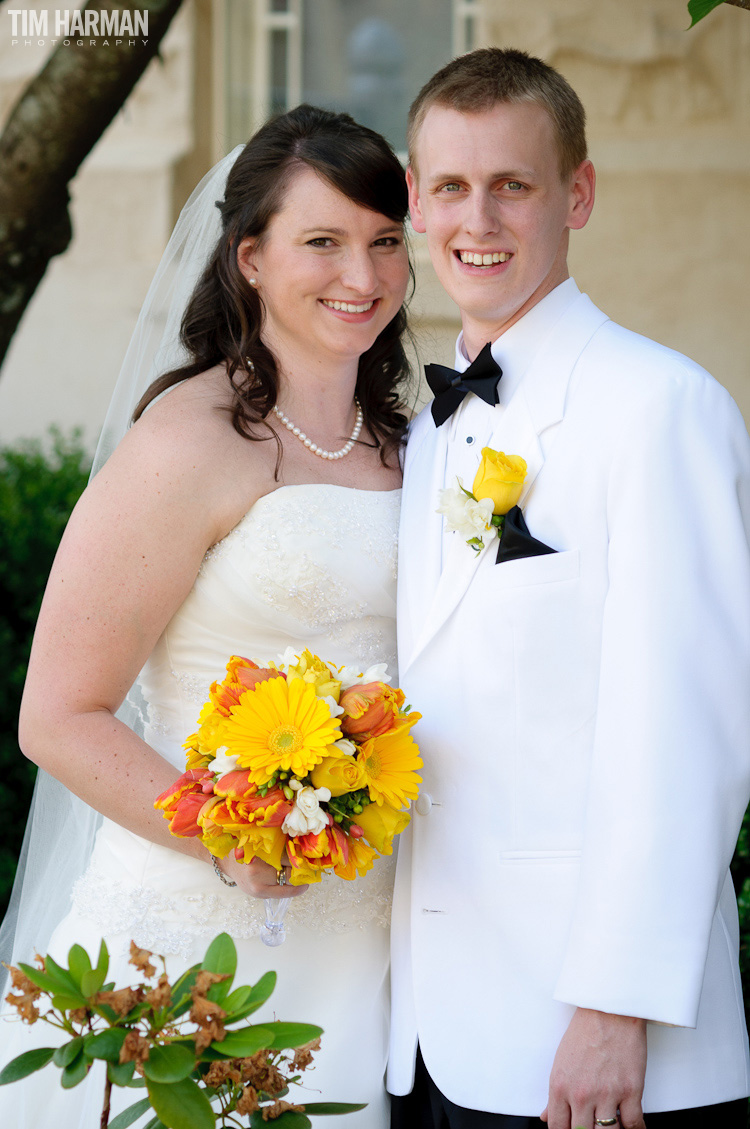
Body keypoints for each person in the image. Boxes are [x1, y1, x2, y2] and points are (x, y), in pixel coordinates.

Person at [0, 103, 413, 1128]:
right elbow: (58, 714)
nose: (361, 277)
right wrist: (231, 838)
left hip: (383, 932)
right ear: (250, 259)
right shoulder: (188, 440)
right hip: (201, 927)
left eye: (385, 242)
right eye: (321, 242)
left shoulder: (422, 440)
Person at [388, 47, 750, 1129]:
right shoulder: (421, 434)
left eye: (515, 184)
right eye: (450, 186)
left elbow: (692, 732)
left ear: (577, 195)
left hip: (592, 1049)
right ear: (413, 202)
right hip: (427, 1035)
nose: (478, 219)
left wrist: (613, 1005)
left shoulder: (660, 407)